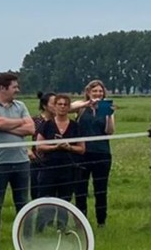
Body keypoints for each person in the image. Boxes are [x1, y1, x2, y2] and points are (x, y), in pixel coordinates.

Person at [0, 72, 35, 242]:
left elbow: (31, 128)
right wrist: (19, 123)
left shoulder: (20, 105)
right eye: (14, 87)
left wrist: (5, 126)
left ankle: (26, 239)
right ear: (3, 88)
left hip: (21, 162)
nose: (17, 90)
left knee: (23, 202)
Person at [35, 94, 84, 229]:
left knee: (65, 199)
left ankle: (62, 229)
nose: (62, 107)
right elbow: (39, 146)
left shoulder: (75, 126)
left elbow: (81, 148)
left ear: (69, 107)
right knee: (45, 199)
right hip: (49, 168)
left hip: (68, 168)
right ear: (54, 107)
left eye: (65, 105)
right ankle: (40, 228)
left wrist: (70, 147)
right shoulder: (47, 125)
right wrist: (55, 147)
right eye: (59, 104)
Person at [71, 79, 116, 227]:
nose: (98, 94)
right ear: (88, 92)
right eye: (95, 91)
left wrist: (109, 116)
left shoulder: (106, 108)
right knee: (80, 189)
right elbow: (68, 108)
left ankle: (101, 221)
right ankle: (81, 221)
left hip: (102, 153)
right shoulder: (81, 107)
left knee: (100, 189)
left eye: (100, 91)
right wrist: (87, 103)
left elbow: (109, 131)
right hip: (82, 153)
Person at [29, 92, 56, 200]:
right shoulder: (35, 121)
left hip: (55, 161)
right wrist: (26, 150)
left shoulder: (60, 121)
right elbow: (18, 135)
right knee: (37, 194)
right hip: (38, 161)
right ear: (45, 106)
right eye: (54, 103)